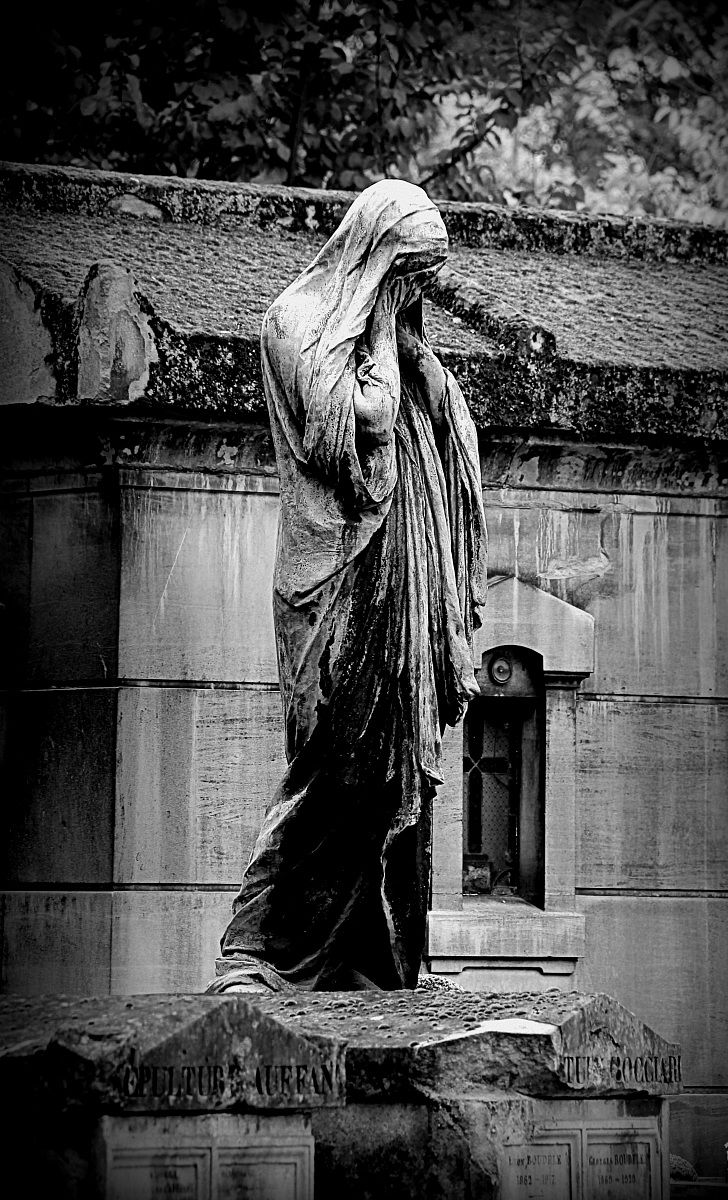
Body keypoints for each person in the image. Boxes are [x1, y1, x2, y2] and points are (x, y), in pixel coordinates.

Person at [208, 179, 486, 993]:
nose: (413, 298)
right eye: (405, 276)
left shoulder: (397, 345)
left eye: (422, 284)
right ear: (372, 258)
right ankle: (257, 951)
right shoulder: (295, 324)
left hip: (403, 586)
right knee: (335, 766)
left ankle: (375, 958)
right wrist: (386, 353)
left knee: (399, 769)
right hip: (334, 580)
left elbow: (435, 437)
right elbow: (347, 442)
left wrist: (430, 383)